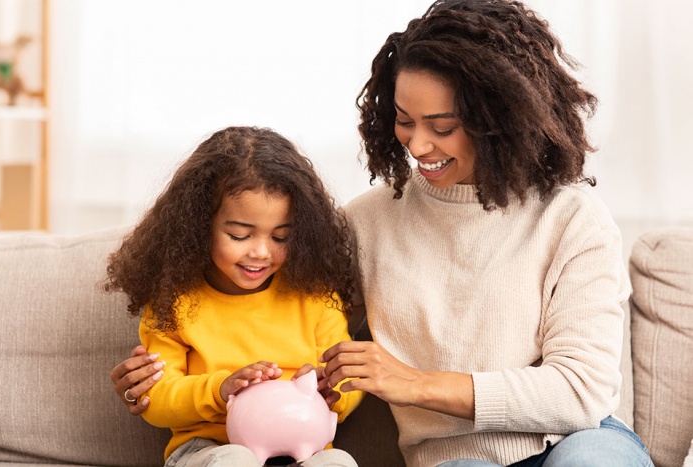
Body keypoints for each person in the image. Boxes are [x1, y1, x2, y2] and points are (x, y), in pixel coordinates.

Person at [112, 1, 654, 466]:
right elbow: (284, 314)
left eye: (442, 127)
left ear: (501, 118)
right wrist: (159, 381)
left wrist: (414, 383)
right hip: (455, 455)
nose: (417, 146)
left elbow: (581, 391)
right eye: (403, 120)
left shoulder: (573, 218)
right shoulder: (364, 224)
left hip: (580, 440)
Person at [105, 126, 363, 467]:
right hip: (208, 449)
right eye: (239, 235)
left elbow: (349, 376)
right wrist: (220, 390)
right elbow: (156, 397)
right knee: (236, 459)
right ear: (199, 226)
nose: (261, 252)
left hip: (305, 448)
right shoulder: (175, 302)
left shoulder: (313, 296)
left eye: (280, 237)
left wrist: (334, 392)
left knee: (339, 463)